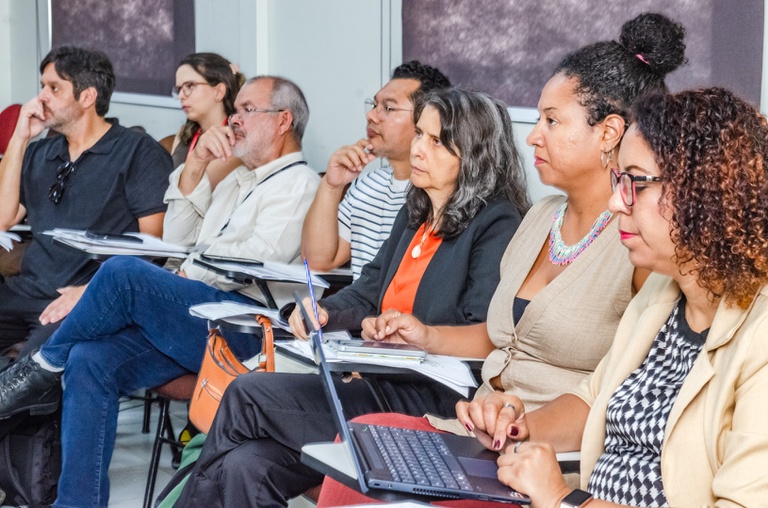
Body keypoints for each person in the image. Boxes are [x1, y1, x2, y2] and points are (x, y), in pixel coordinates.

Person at [311, 12, 687, 507]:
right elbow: (498, 335)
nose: (533, 135)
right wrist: (428, 336)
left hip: (544, 461)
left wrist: (519, 430)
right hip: (478, 426)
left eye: (552, 121)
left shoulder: (639, 248)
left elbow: (615, 394)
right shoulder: (539, 219)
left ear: (609, 133)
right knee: (360, 442)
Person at [175, 87, 530, 507]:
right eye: (419, 134)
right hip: (377, 378)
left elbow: (487, 332)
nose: (418, 149)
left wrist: (420, 333)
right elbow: (368, 288)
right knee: (246, 465)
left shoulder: (497, 221)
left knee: (247, 392)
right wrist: (323, 312)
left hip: (430, 399)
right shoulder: (417, 209)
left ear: (473, 153)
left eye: (436, 142)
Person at [0, 75, 320, 507]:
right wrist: (194, 167)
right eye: (235, 111)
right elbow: (178, 238)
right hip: (199, 317)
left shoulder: (299, 185)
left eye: (247, 110)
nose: (234, 120)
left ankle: (39, 369)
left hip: (249, 327)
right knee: (91, 358)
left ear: (283, 121)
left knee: (122, 274)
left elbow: (248, 261)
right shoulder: (237, 180)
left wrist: (176, 280)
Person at [476, 87, 768, 508]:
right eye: (619, 181)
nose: (615, 203)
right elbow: (594, 398)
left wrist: (563, 499)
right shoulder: (663, 292)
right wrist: (516, 429)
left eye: (635, 183)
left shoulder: (758, 334)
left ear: (702, 192)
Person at [0, 46, 173, 356]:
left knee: (31, 375)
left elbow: (154, 245)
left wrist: (89, 292)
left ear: (87, 97)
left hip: (86, 296)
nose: (41, 97)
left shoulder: (138, 152)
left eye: (54, 88)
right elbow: (3, 218)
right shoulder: (40, 153)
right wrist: (20, 138)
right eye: (42, 86)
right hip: (27, 289)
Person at [302, 60, 450, 278]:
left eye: (388, 108)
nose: (371, 116)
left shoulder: (441, 192)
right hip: (359, 309)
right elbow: (317, 261)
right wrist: (332, 185)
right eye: (374, 105)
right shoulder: (367, 184)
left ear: (428, 119)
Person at [169, 52, 245, 189]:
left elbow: (196, 190)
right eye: (179, 89)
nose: (181, 96)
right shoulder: (184, 133)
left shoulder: (236, 141)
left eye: (190, 86)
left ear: (219, 92)